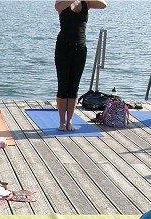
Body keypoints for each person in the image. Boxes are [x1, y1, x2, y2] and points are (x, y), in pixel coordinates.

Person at [54, 0, 107, 131]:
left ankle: (70, 121)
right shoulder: (63, 2)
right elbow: (57, 6)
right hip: (63, 48)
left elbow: (103, 4)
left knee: (74, 87)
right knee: (63, 85)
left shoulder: (86, 3)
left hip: (80, 49)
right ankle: (62, 122)